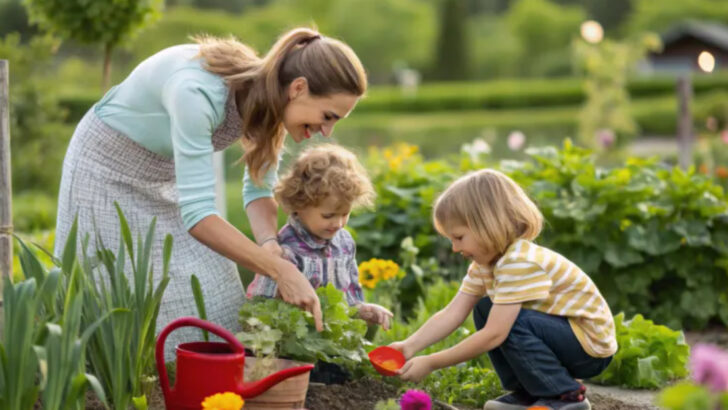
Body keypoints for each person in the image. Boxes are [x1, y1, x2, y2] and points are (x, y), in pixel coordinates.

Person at [54, 27, 367, 356]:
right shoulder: (197, 94)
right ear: (298, 88)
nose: (327, 131)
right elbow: (199, 216)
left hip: (164, 174)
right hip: (106, 169)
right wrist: (280, 270)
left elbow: (259, 189)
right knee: (110, 294)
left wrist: (269, 244)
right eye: (328, 116)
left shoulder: (270, 102)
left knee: (217, 301)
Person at [390, 169, 616, 410]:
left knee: (509, 322)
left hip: (589, 348)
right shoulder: (485, 264)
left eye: (459, 237)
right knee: (485, 308)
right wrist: (410, 346)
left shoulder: (519, 261)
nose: (455, 248)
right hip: (562, 338)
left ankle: (564, 396)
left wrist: (432, 362)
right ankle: (530, 391)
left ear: (488, 225)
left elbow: (495, 334)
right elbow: (452, 313)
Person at [246, 144, 393, 330]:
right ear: (299, 204)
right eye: (328, 216)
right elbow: (261, 306)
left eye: (345, 214)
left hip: (329, 339)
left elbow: (349, 300)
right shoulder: (285, 250)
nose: (338, 224)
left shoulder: (345, 242)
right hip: (291, 340)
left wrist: (365, 310)